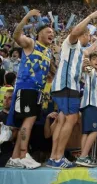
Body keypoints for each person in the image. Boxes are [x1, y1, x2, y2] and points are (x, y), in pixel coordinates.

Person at [48, 10, 97, 169]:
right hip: (66, 87)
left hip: (65, 88)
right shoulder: (71, 42)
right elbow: (75, 32)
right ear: (84, 34)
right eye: (89, 35)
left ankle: (54, 157)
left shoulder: (80, 51)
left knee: (63, 120)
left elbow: (88, 51)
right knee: (71, 119)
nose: (90, 38)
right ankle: (58, 157)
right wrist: (90, 17)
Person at [5, 9, 54, 169]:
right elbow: (16, 36)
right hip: (26, 88)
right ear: (39, 33)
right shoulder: (31, 44)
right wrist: (26, 17)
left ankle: (15, 157)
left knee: (26, 123)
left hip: (38, 91)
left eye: (53, 32)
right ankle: (24, 153)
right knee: (29, 121)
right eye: (48, 31)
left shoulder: (48, 51)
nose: (51, 34)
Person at [75, 52, 97, 167]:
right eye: (94, 59)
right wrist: (86, 60)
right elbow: (85, 66)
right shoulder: (90, 70)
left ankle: (83, 157)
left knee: (86, 132)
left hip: (86, 105)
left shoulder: (96, 73)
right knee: (95, 130)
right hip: (90, 104)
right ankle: (83, 156)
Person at [0, 90, 15, 167]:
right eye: (5, 98)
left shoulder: (18, 118)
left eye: (10, 98)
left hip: (14, 155)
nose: (6, 100)